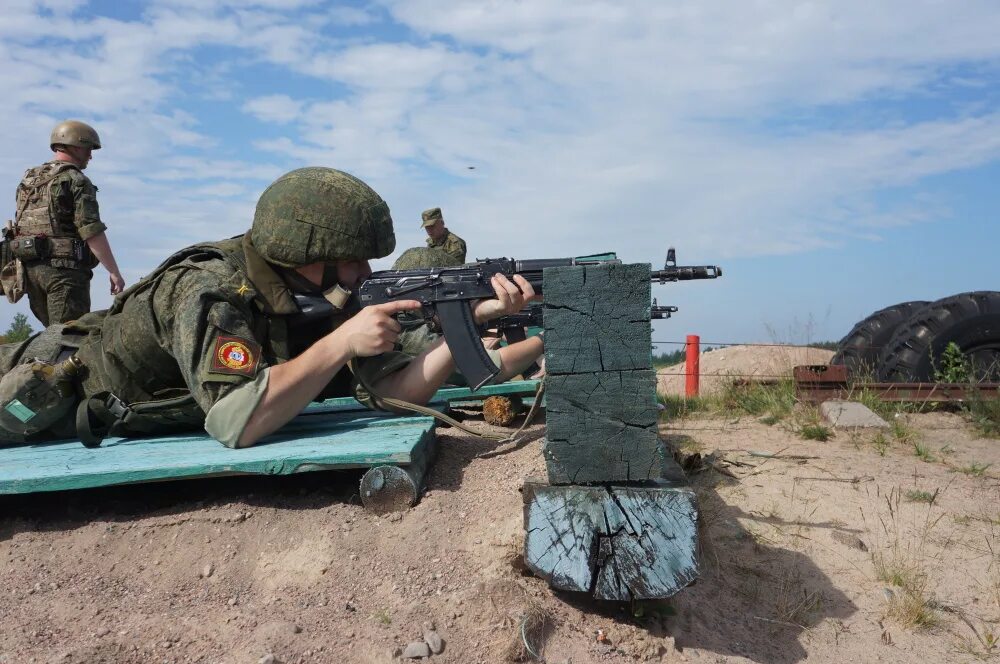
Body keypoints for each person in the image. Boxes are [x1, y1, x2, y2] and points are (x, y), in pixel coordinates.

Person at [0, 167, 544, 449]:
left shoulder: (319, 296)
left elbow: (391, 393)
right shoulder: (211, 289)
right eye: (351, 259)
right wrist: (338, 344)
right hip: (47, 388)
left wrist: (459, 334)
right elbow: (239, 422)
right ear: (304, 253)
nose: (364, 274)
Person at [9, 120, 125, 325]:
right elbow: (91, 230)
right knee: (70, 339)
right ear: (73, 146)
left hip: (30, 272)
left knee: (52, 339)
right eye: (88, 149)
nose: (90, 156)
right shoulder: (75, 180)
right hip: (64, 273)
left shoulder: (29, 180)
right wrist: (114, 272)